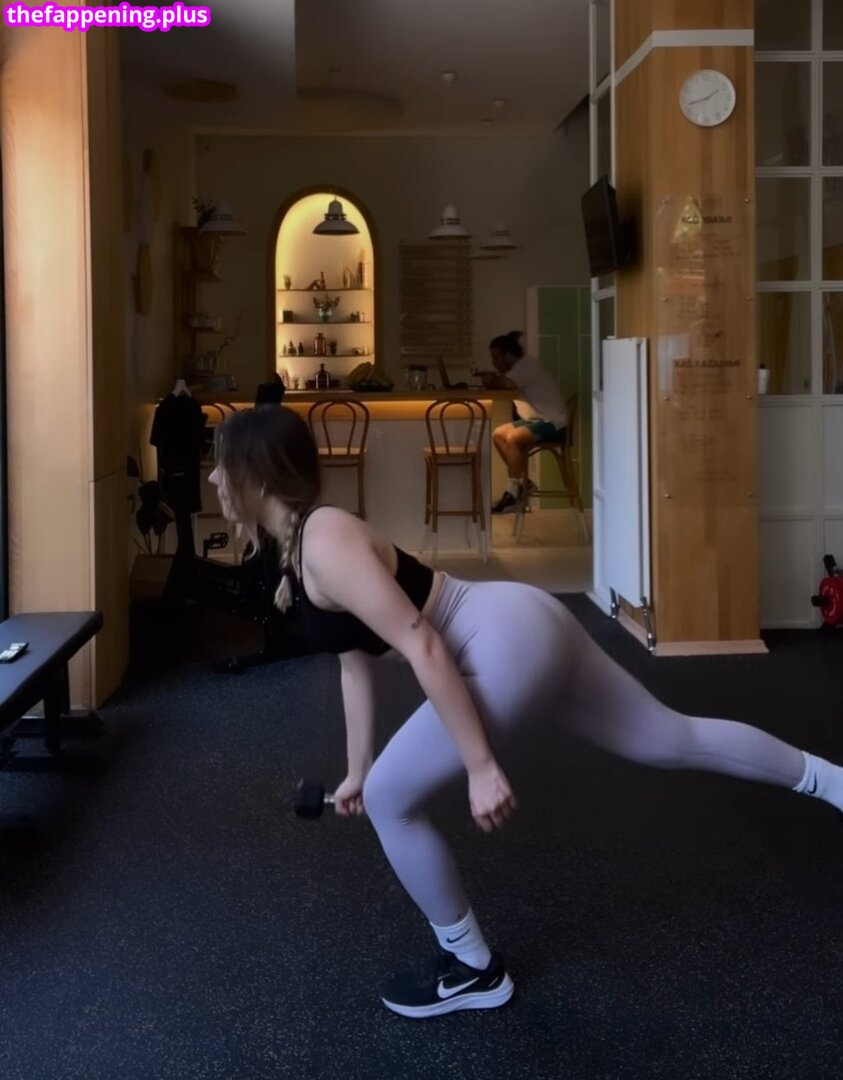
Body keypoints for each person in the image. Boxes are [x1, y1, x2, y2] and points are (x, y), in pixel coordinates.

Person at [210, 405, 843, 1020]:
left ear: (258, 477)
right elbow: (354, 660)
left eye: (222, 466)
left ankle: (473, 969)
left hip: (498, 644)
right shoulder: (301, 544)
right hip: (522, 621)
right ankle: (833, 781)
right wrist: (357, 768)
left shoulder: (324, 540)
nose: (213, 478)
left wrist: (480, 764)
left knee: (389, 800)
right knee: (668, 737)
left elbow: (423, 644)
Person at [476, 330, 569, 514]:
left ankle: (512, 492)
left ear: (508, 355)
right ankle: (524, 483)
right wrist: (493, 378)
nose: (494, 362)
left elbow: (505, 384)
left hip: (553, 422)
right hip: (536, 420)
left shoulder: (524, 367)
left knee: (513, 438)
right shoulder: (519, 368)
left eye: (496, 357)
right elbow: (504, 382)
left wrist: (490, 379)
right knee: (499, 434)